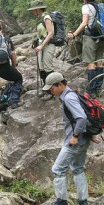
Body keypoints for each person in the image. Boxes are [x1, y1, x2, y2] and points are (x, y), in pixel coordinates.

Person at [42, 72, 99, 205]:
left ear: (60, 84)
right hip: (84, 139)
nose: (51, 91)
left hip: (75, 141)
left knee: (58, 169)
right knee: (77, 168)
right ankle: (83, 201)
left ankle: (61, 201)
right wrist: (89, 136)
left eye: (52, 88)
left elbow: (81, 117)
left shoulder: (69, 98)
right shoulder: (73, 94)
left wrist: (75, 136)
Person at [67, 0, 104, 98]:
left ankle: (90, 91)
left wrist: (74, 34)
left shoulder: (86, 7)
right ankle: (98, 89)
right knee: (100, 63)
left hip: (90, 37)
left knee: (90, 63)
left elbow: (84, 23)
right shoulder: (100, 6)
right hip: (102, 37)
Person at [28, 0, 55, 101]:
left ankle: (52, 90)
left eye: (33, 10)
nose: (32, 12)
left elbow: (50, 33)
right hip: (41, 45)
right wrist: (36, 42)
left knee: (48, 67)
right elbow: (41, 34)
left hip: (48, 45)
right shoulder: (39, 18)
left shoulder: (46, 17)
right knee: (42, 68)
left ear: (38, 9)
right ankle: (46, 89)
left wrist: (42, 45)